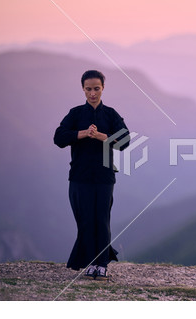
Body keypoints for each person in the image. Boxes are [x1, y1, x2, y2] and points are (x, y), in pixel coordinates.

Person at [54, 70, 129, 280]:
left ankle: (102, 265)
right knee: (85, 220)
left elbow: (125, 141)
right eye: (89, 89)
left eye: (97, 88)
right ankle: (90, 263)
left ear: (103, 88)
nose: (93, 93)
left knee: (102, 220)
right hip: (79, 176)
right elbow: (59, 138)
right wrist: (83, 133)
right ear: (83, 89)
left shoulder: (111, 114)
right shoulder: (76, 114)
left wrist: (100, 136)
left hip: (105, 177)